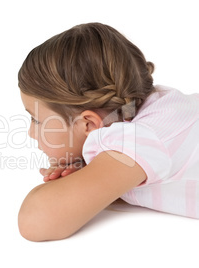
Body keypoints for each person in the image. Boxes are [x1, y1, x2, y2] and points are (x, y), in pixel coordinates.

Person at [17, 22, 199, 242]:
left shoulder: (138, 141)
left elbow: (36, 221)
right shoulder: (155, 107)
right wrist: (93, 169)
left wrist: (78, 183)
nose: (31, 133)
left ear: (89, 125)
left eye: (36, 119)